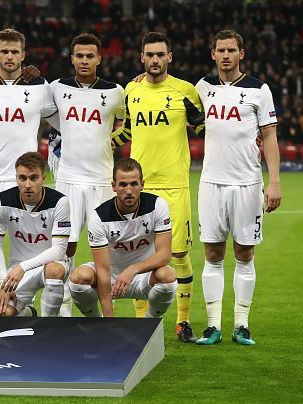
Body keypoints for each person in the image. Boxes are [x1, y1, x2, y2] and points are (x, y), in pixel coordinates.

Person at [112, 32, 203, 341]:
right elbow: (126, 132)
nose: (155, 60)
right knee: (139, 254)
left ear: (169, 57)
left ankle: (183, 321)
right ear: (142, 58)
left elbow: (204, 127)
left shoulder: (185, 90)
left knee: (178, 253)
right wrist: (100, 145)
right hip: (138, 188)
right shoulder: (131, 90)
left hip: (175, 185)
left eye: (160, 54)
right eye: (149, 55)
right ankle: (142, 323)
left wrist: (199, 122)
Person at [194, 29, 281, 345]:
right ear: (213, 54)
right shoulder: (202, 88)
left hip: (247, 184)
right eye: (221, 50)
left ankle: (242, 325)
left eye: (232, 50)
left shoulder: (259, 90)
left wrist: (274, 182)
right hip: (211, 183)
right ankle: (213, 326)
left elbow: (269, 136)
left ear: (241, 54)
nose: (226, 55)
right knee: (212, 253)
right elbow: (167, 91)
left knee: (245, 253)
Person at [0, 28, 57, 293]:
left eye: (15, 51)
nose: (10, 56)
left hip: (25, 179)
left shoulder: (40, 86)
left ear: (24, 55)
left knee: (36, 245)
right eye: (5, 51)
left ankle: (30, 299)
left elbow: (59, 118)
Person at [48, 33, 125, 316]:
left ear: (99, 59)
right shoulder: (57, 88)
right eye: (79, 56)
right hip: (68, 179)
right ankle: (64, 310)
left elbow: (128, 119)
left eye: (90, 56)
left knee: (105, 248)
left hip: (102, 180)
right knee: (64, 247)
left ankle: (107, 313)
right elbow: (43, 111)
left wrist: (112, 141)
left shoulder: (115, 92)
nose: (84, 61)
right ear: (72, 59)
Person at [69, 158, 178, 318]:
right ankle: (96, 324)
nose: (128, 190)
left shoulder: (157, 206)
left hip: (145, 276)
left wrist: (132, 270)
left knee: (168, 278)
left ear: (142, 184)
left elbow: (164, 255)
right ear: (114, 186)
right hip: (110, 277)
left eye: (134, 184)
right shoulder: (99, 217)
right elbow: (103, 271)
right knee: (78, 279)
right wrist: (109, 321)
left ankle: (149, 324)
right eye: (123, 184)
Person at [0, 152, 71, 317]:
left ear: (43, 177)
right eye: (22, 178)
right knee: (2, 314)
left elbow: (59, 250)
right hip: (16, 269)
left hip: (49, 264)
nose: (27, 184)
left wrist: (23, 267)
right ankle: (28, 313)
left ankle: (47, 326)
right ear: (16, 178)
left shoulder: (60, 202)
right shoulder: (2, 201)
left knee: (55, 270)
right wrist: (3, 283)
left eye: (33, 178)